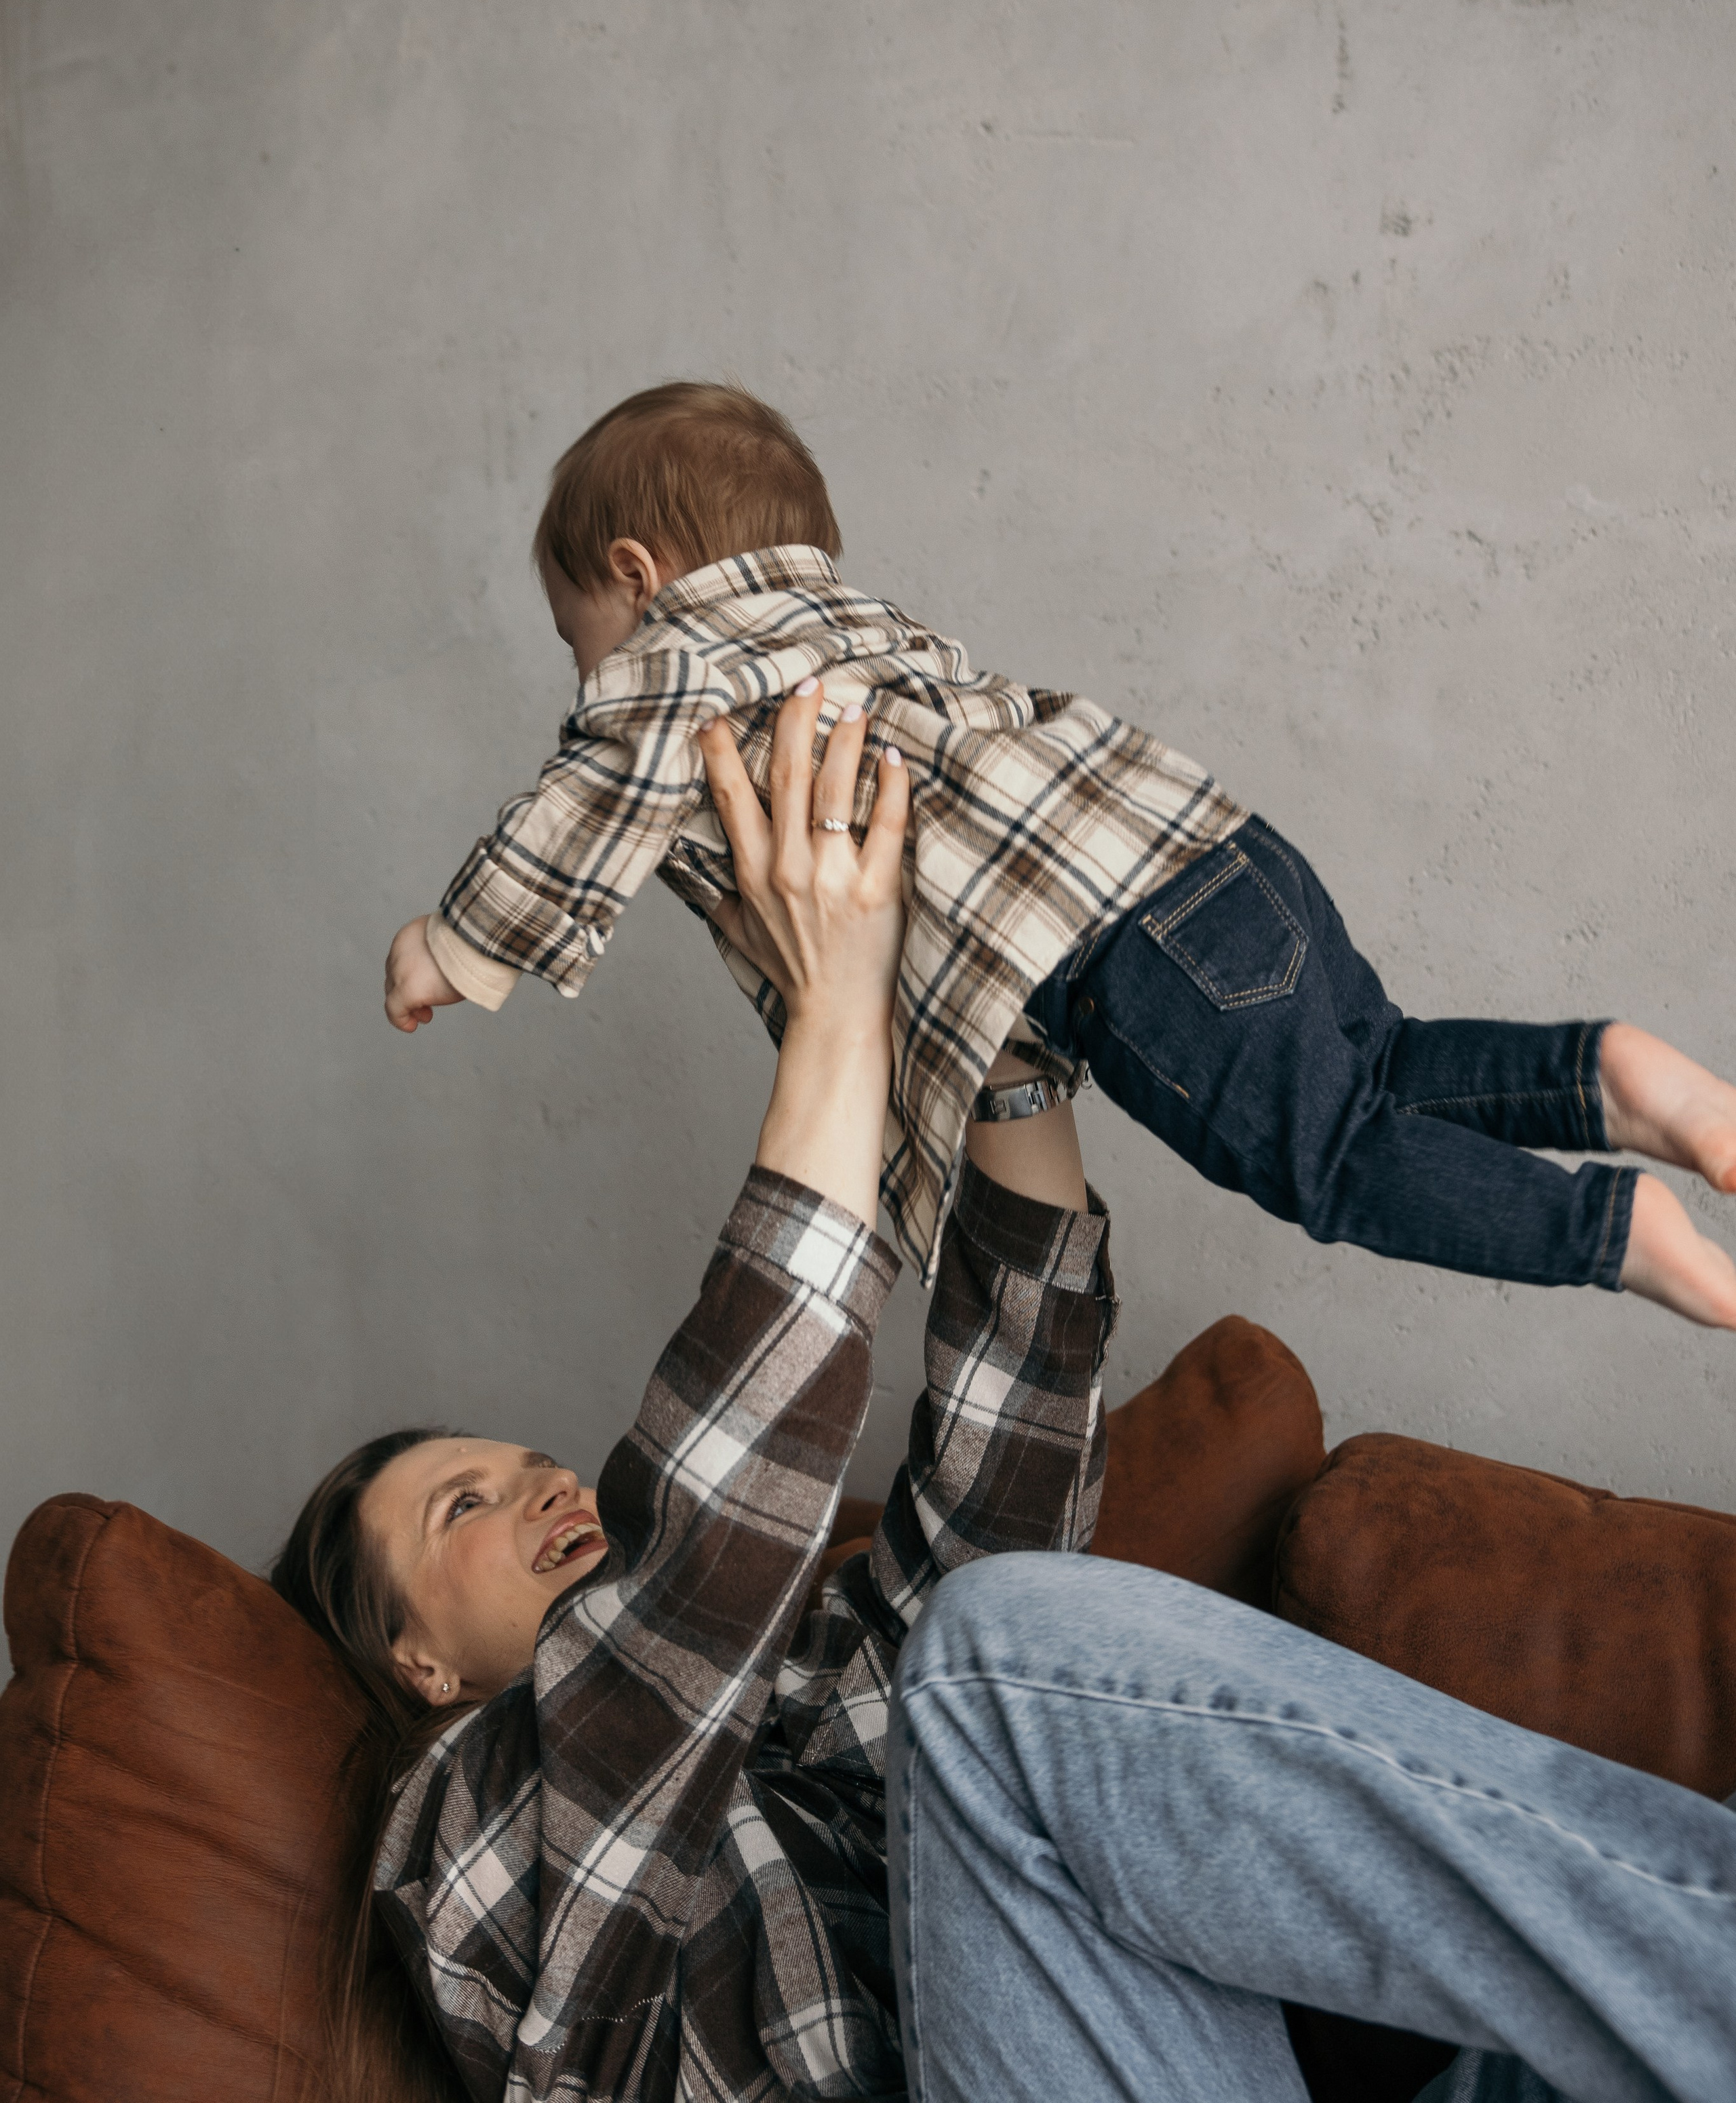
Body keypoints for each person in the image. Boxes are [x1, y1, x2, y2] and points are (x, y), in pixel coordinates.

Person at [282, 690, 1735, 2103]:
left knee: (996, 1640)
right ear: (413, 1658)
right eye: (460, 1504)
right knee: (984, 1663)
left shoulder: (798, 1679)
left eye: (533, 1461)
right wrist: (834, 1029)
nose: (544, 1487)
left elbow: (1006, 1490)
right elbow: (696, 1584)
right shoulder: (459, 1837)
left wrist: (981, 1031)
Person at [380, 380, 1736, 1333]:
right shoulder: (858, 627)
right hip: (1212, 847)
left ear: (636, 573)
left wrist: (449, 945)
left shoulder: (682, 653)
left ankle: (1609, 1236)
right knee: (1373, 1060)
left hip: (1124, 946)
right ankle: (1603, 1073)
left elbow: (584, 796)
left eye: (579, 641)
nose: (590, 679)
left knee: (1328, 1159)